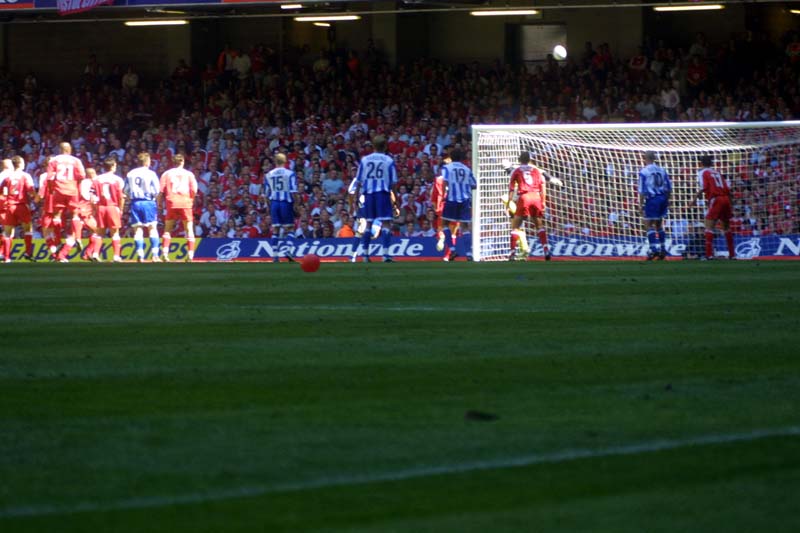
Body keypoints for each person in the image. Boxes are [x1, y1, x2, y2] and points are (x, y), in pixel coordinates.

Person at [349, 135, 399, 262]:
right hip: (382, 194)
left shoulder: (365, 160)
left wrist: (355, 199)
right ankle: (385, 254)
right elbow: (393, 183)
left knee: (368, 224)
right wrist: (396, 200)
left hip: (368, 195)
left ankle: (365, 255)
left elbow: (359, 181)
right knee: (386, 224)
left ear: (373, 146)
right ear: (385, 146)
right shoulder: (388, 160)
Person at [506, 151, 555, 261]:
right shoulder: (536, 170)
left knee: (515, 226)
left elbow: (511, 188)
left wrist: (509, 202)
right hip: (536, 197)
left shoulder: (516, 170)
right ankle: (546, 250)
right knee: (539, 225)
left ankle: (512, 253)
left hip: (524, 197)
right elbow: (543, 187)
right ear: (529, 160)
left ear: (519, 160)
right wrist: (543, 202)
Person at [47, 142, 87, 262]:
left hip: (58, 190)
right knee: (75, 214)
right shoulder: (76, 160)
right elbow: (82, 176)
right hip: (72, 189)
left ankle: (58, 240)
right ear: (70, 150)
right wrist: (76, 187)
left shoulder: (53, 160)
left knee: (57, 215)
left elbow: (50, 178)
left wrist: (51, 190)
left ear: (60, 149)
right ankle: (78, 238)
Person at [695, 154, 735, 259]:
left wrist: (694, 198)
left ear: (701, 163)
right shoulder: (717, 172)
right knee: (726, 227)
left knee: (708, 226)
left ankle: (709, 255)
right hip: (725, 198)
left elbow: (704, 187)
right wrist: (731, 204)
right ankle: (732, 254)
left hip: (716, 199)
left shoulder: (703, 172)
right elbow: (728, 189)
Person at [159, 153, 198, 262]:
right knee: (189, 228)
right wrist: (192, 199)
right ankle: (190, 255)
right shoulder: (189, 174)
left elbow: (160, 191)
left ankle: (165, 254)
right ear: (183, 162)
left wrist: (159, 204)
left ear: (173, 162)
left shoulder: (166, 174)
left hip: (172, 202)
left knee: (167, 229)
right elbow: (194, 190)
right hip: (185, 202)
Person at [441, 147, 477, 261]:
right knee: (465, 227)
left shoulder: (447, 168)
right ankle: (469, 254)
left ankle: (452, 250)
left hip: (452, 199)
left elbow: (444, 182)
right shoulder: (467, 169)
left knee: (445, 224)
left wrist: (443, 196)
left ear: (451, 157)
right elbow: (474, 185)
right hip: (465, 200)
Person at [126, 152, 162, 262]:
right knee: (152, 228)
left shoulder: (130, 173)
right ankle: (155, 255)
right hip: (148, 202)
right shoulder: (151, 174)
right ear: (147, 162)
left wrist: (130, 198)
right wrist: (158, 203)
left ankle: (140, 256)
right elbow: (157, 191)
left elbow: (125, 190)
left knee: (138, 230)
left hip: (135, 203)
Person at [0, 156, 36, 262]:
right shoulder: (25, 176)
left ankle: (7, 257)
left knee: (7, 232)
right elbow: (30, 190)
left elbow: (2, 192)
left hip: (9, 206)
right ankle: (28, 253)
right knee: (28, 229)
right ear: (20, 164)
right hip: (21, 205)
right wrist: (36, 198)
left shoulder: (7, 177)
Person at [264, 152, 298, 262]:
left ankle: (275, 256)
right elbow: (293, 191)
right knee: (290, 228)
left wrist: (268, 206)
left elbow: (266, 194)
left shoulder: (269, 174)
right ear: (285, 161)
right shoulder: (290, 173)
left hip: (274, 203)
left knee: (276, 229)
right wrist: (296, 205)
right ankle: (288, 250)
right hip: (285, 202)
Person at [638, 151, 672, 260]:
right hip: (662, 198)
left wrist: (640, 204)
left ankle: (653, 250)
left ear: (645, 158)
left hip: (652, 199)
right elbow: (668, 187)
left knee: (648, 224)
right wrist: (667, 199)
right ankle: (663, 249)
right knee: (659, 225)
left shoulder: (644, 171)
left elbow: (642, 190)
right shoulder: (662, 170)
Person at [92, 157, 126, 262]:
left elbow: (92, 197)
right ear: (113, 166)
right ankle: (116, 256)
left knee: (100, 233)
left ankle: (95, 253)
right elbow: (121, 197)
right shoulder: (117, 179)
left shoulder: (97, 179)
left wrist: (95, 209)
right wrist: (121, 209)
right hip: (112, 206)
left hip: (101, 207)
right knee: (115, 233)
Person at [431, 154, 452, 255]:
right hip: (453, 205)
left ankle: (442, 237)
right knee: (453, 232)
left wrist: (436, 208)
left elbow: (434, 196)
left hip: (441, 208)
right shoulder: (454, 179)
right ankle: (447, 256)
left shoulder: (438, 180)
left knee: (441, 229)